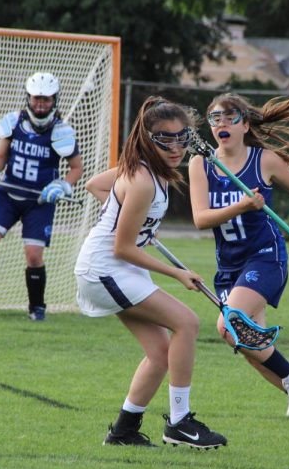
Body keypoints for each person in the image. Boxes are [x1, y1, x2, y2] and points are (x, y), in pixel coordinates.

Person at [74, 96, 227, 449]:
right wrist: (177, 273)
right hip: (105, 269)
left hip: (118, 268)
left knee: (160, 352)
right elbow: (122, 247)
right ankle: (179, 422)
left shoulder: (147, 171)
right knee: (187, 322)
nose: (176, 147)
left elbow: (95, 185)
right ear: (147, 139)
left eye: (182, 137)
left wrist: (137, 222)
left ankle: (124, 431)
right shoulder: (142, 180)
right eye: (165, 139)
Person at [188, 92, 289, 430]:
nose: (222, 124)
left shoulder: (265, 160)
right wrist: (242, 206)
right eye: (215, 118)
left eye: (230, 117)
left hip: (265, 258)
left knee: (229, 323)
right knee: (247, 343)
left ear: (245, 124)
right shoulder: (201, 164)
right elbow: (201, 218)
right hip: (229, 268)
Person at [0, 72, 83, 321]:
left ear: (55, 100)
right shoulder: (13, 123)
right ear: (28, 97)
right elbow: (1, 156)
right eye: (37, 98)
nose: (41, 104)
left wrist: (62, 185)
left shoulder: (62, 131)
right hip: (8, 194)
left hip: (40, 201)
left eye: (46, 99)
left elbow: (77, 168)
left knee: (34, 254)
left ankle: (37, 308)